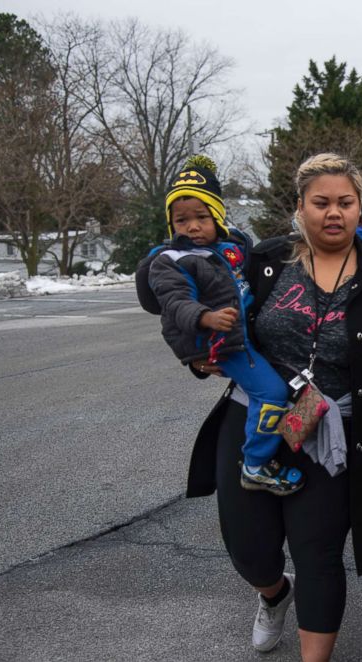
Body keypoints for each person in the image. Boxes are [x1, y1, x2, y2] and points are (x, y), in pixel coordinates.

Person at [137, 153, 362, 661]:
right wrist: (199, 354)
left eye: (345, 202)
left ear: (361, 209)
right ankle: (273, 593)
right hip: (253, 418)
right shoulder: (265, 259)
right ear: (300, 208)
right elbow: (175, 290)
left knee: (318, 553)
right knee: (249, 550)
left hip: (331, 431)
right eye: (321, 203)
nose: (333, 213)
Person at [146, 155, 303, 495]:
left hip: (241, 337)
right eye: (181, 220)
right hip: (223, 342)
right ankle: (255, 464)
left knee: (285, 392)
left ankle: (270, 450)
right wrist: (206, 318)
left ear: (217, 216)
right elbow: (176, 303)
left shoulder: (229, 249)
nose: (191, 227)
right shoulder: (171, 260)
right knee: (273, 393)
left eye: (202, 217)